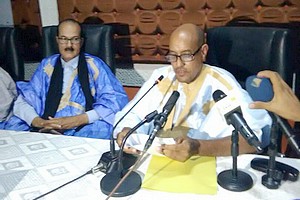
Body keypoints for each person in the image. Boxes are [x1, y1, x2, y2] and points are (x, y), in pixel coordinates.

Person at [114, 23, 272, 162]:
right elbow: (132, 114)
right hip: (155, 160)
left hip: (203, 163)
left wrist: (199, 147)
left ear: (203, 52)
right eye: (173, 56)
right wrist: (127, 132)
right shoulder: (162, 77)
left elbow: (253, 139)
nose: (178, 64)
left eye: (186, 55)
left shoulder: (222, 84)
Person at [3, 19, 128, 139]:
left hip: (82, 127)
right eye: (64, 39)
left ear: (81, 41)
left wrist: (76, 121)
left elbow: (115, 102)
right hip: (46, 125)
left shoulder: (95, 65)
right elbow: (23, 100)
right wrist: (39, 122)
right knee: (13, 127)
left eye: (75, 39)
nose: (69, 45)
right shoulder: (47, 65)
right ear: (57, 40)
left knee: (107, 130)